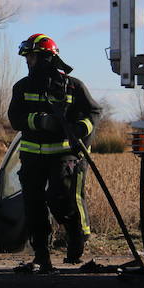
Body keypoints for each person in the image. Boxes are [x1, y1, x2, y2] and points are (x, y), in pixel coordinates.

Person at [8, 34, 101, 273]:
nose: (28, 62)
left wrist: (81, 128)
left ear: (47, 57)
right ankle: (42, 257)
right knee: (34, 207)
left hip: (64, 156)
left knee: (61, 200)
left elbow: (93, 113)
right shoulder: (22, 87)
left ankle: (76, 239)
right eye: (27, 57)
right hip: (32, 158)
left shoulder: (73, 86)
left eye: (31, 57)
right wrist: (39, 121)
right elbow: (15, 119)